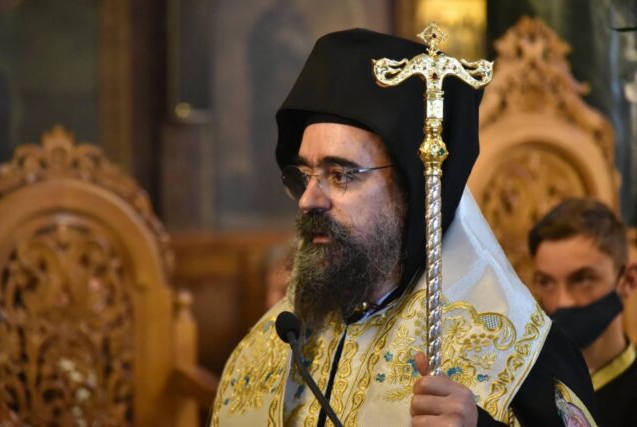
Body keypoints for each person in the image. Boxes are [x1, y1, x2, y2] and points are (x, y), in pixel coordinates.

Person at [210, 28, 598, 426]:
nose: (310, 199)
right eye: (305, 175)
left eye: (340, 175)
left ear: (410, 190)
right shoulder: (271, 344)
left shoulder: (515, 351)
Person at [529, 198, 637, 426]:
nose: (562, 302)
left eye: (582, 279)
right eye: (546, 282)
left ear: (628, 280)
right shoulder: (524, 391)